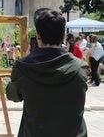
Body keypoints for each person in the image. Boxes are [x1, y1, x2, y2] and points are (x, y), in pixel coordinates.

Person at [6, 9, 88, 137]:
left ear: (38, 36)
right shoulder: (80, 67)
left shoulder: (23, 67)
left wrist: (25, 61)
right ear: (63, 37)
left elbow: (12, 95)